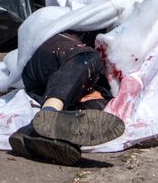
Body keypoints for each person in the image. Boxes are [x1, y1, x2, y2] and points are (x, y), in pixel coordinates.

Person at [9, 31, 126, 166]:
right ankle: (48, 113)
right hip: (52, 48)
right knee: (87, 58)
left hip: (71, 83)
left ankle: (39, 135)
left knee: (100, 107)